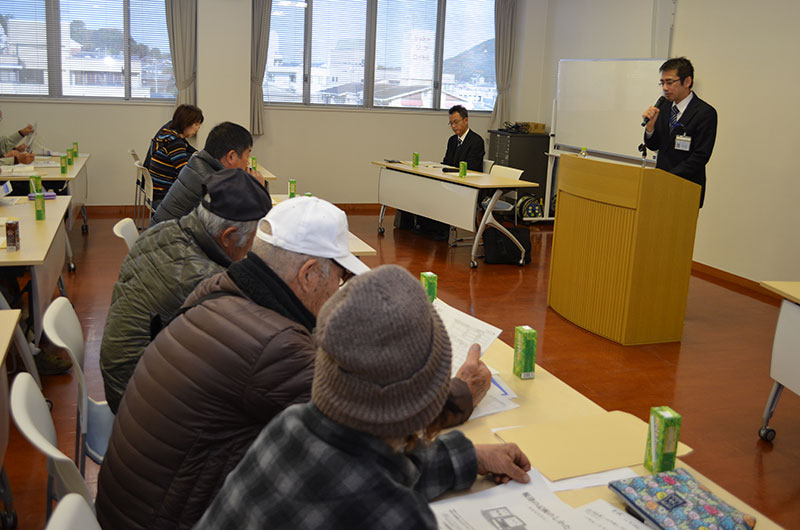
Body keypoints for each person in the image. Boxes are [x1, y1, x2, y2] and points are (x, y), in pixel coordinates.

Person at [95, 197, 491, 530]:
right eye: (338, 277)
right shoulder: (277, 348)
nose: (339, 291)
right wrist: (460, 391)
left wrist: (469, 457)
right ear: (306, 275)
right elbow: (369, 434)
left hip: (132, 508)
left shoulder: (219, 291)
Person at [194, 264, 531, 530]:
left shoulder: (289, 426)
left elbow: (368, 466)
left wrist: (469, 457)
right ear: (423, 401)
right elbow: (371, 481)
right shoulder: (399, 517)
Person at [99, 168, 270, 413]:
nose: (253, 248)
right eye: (254, 239)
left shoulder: (164, 230)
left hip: (124, 374)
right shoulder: (206, 280)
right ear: (228, 236)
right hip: (138, 401)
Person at [149, 121, 265, 227]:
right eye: (247, 154)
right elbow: (242, 225)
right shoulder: (212, 183)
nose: (247, 162)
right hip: (169, 245)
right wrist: (257, 190)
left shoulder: (199, 163)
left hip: (160, 238)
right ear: (231, 156)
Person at [642, 57, 717, 208]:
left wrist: (668, 177)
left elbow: (700, 156)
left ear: (687, 81)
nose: (665, 88)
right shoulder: (663, 107)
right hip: (660, 187)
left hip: (686, 189)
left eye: (669, 82)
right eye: (662, 83)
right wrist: (650, 128)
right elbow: (654, 145)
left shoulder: (705, 113)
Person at [144, 104, 204, 202]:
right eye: (196, 124)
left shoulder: (167, 135)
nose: (198, 128)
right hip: (164, 197)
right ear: (186, 123)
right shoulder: (175, 143)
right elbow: (185, 174)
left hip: (156, 193)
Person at [442, 104, 485, 172]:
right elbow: (447, 162)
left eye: (456, 122)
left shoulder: (476, 141)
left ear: (466, 120)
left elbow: (472, 167)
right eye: (451, 123)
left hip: (470, 178)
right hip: (452, 176)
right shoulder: (452, 140)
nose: (453, 126)